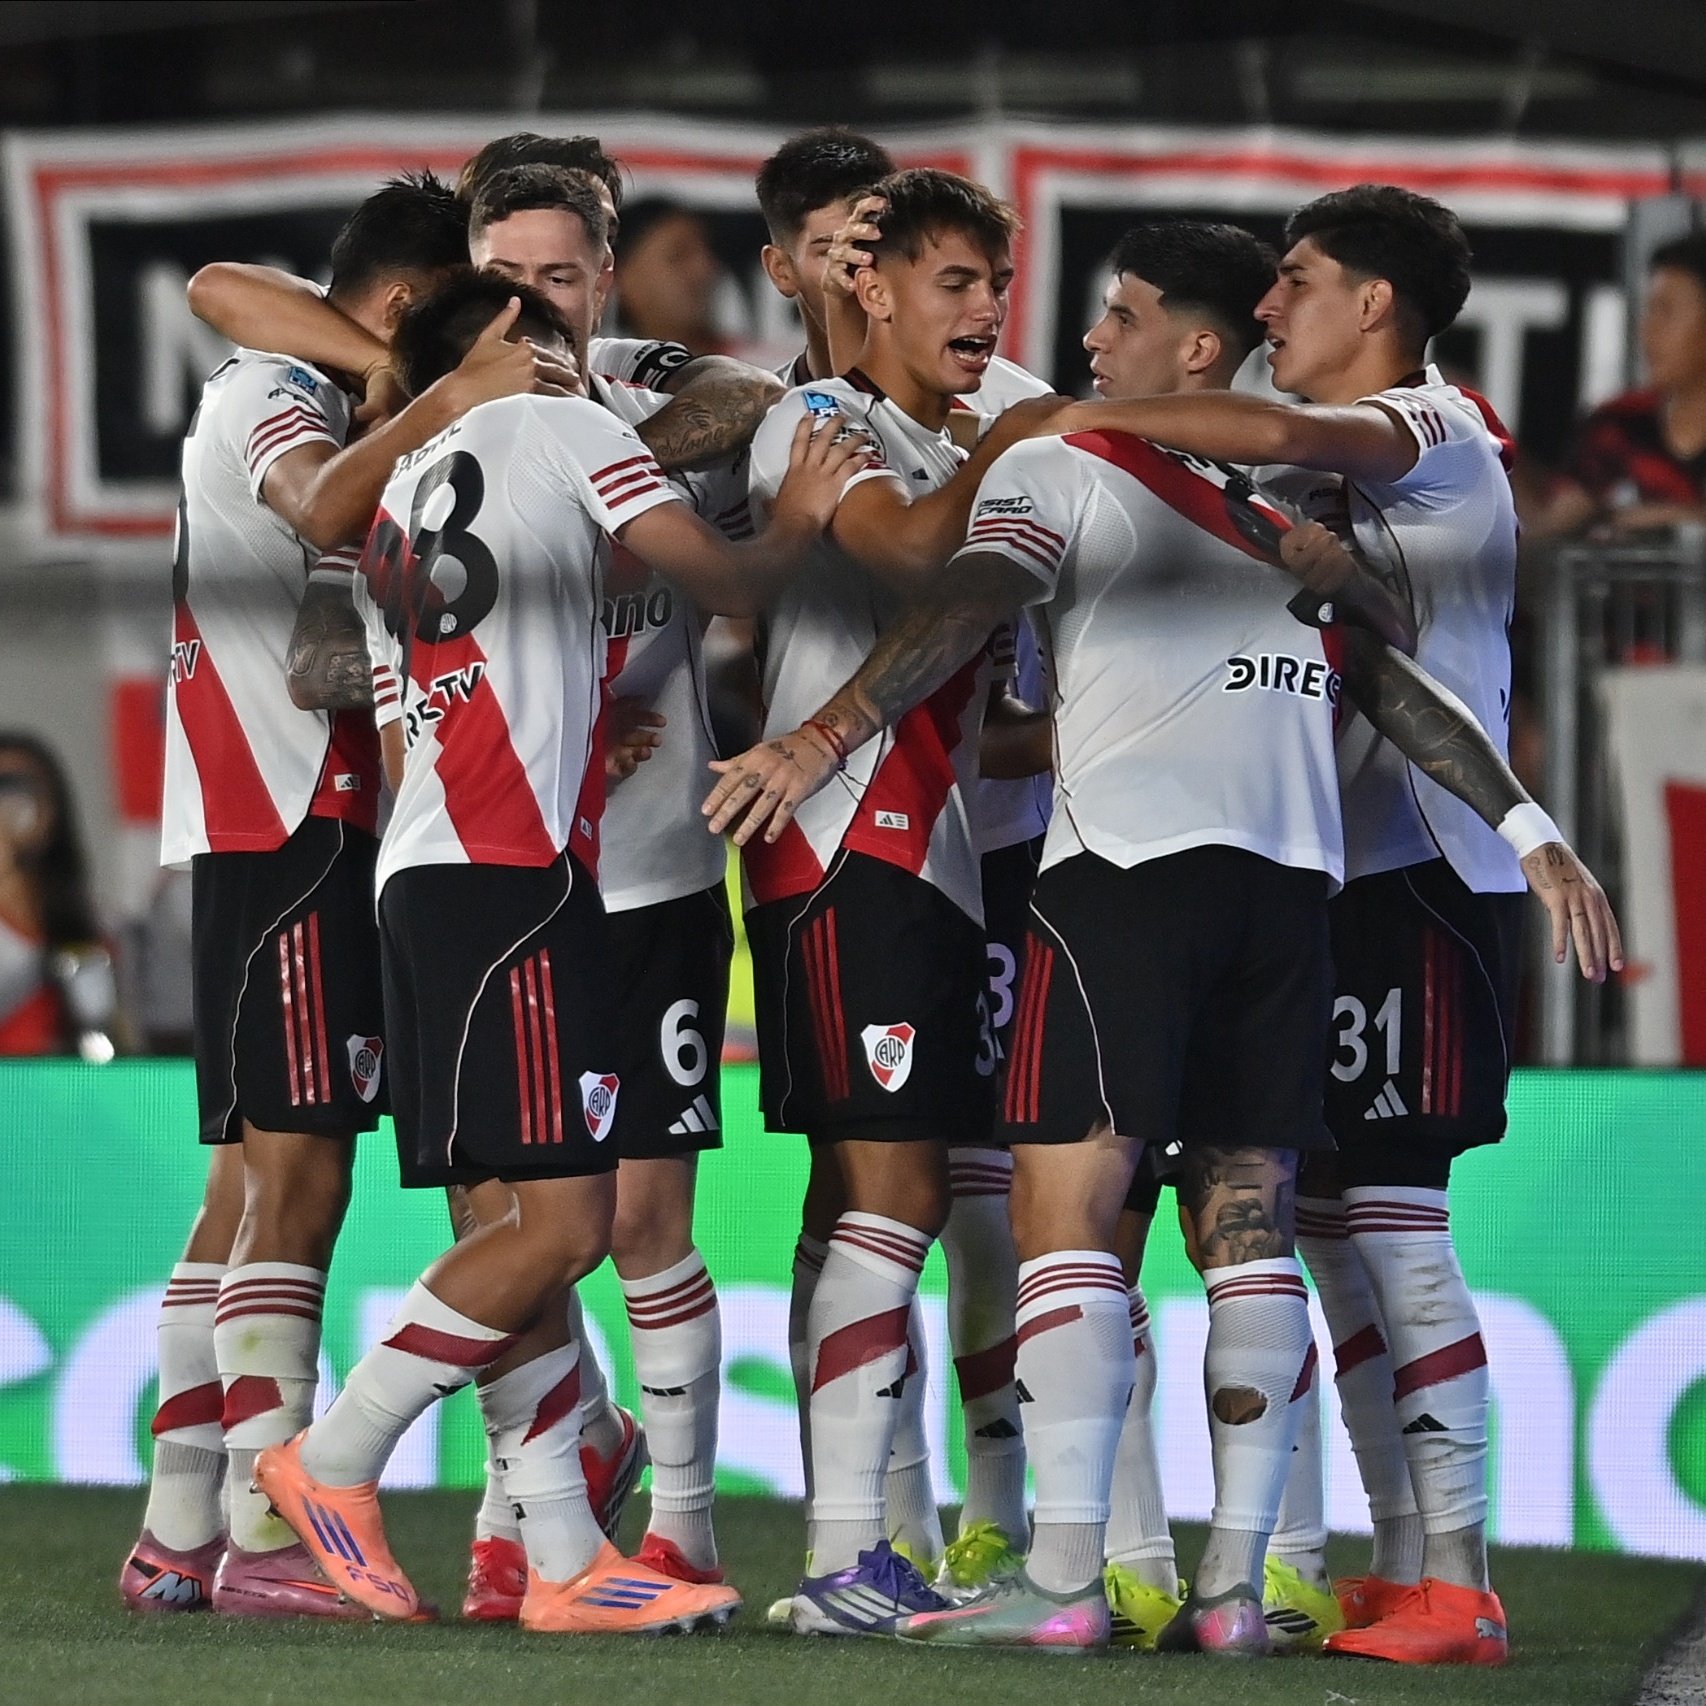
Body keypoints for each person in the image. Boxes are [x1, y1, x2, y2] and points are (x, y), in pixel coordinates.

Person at [703, 211, 1617, 1656]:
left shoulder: (1081, 453)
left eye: (1115, 315)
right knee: (1246, 1223)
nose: (1084, 340)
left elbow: (964, 603)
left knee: (1066, 1213)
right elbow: (1383, 673)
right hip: (1292, 895)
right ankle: (1239, 1590)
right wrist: (1529, 824)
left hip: (1122, 877)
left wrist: (816, 735)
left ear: (1191, 347)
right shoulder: (1275, 508)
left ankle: (1062, 1579)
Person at [1021, 184, 1626, 1664]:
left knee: (1395, 1227)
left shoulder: (1432, 425)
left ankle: (1461, 1577)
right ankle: (1385, 1562)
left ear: (1372, 306)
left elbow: (1292, 439)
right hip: (1318, 881)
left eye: (1293, 282)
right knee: (1319, 1229)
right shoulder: (1292, 493)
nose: (1268, 311)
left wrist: (1053, 422)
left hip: (1423, 870)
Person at [253, 270, 869, 1634]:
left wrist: (582, 732)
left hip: (424, 876)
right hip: (511, 885)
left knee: (516, 1223)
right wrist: (803, 517)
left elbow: (470, 671)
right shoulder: (570, 424)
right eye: (545, 333)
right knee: (566, 1225)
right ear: (511, 353)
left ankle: (563, 1557)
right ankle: (338, 1455)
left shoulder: (414, 482)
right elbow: (726, 588)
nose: (569, 348)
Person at [119, 172, 567, 1620]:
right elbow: (306, 479)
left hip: (286, 823)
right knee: (295, 1182)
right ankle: (265, 1533)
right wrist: (430, 393)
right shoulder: (277, 401)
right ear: (399, 310)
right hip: (296, 814)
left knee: (246, 1185)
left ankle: (181, 1523)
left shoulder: (318, 381)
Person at [728, 166, 1064, 1636]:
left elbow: (994, 692)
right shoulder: (816, 425)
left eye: (996, 285)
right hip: (841, 844)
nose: (986, 313)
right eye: (953, 284)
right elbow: (912, 554)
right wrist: (1039, 439)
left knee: (895, 1195)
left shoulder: (960, 426)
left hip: (938, 851)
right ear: (863, 287)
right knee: (898, 1191)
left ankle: (884, 1542)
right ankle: (839, 1554)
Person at [1535, 231, 1706, 538]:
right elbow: (1549, 530)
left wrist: (1676, 521)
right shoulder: (1617, 425)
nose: (1647, 331)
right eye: (1649, 310)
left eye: (1666, 312)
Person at [0, 734, 115, 1057]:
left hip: (69, 1097)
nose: (9, 807)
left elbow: (114, 1041)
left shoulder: (99, 925)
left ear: (53, 809)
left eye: (23, 789)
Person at [613, 199, 729, 355]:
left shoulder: (755, 370)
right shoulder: (592, 371)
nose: (703, 270)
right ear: (623, 276)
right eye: (678, 256)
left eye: (707, 253)